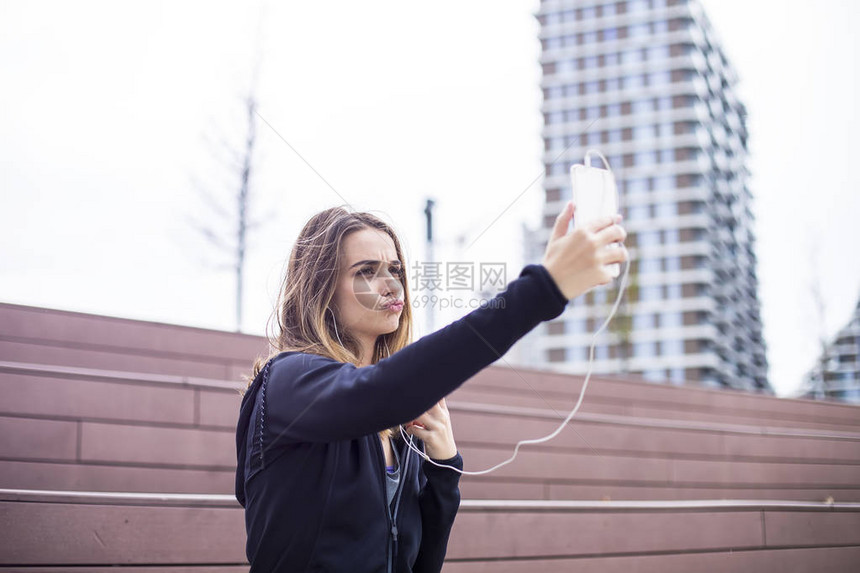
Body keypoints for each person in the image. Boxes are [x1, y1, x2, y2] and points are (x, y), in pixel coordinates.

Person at [235, 200, 627, 572]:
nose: (391, 285)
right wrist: (544, 288)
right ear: (322, 290)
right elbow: (380, 391)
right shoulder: (289, 379)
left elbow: (421, 565)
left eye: (396, 270)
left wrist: (443, 468)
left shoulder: (403, 428)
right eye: (366, 272)